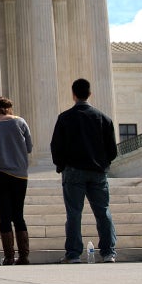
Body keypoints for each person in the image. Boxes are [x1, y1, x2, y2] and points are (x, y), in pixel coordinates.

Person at [50, 78, 118, 264]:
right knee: (103, 212)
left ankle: (73, 254)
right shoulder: (103, 118)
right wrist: (103, 164)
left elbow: (56, 146)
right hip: (97, 171)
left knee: (74, 213)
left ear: (73, 94)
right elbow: (112, 150)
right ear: (90, 94)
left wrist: (61, 165)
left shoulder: (65, 118)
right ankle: (108, 252)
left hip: (73, 171)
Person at [0, 96, 33, 265]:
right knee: (19, 215)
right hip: (19, 173)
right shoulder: (20, 122)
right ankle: (24, 256)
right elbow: (29, 147)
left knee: (4, 215)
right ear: (9, 108)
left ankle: (9, 257)